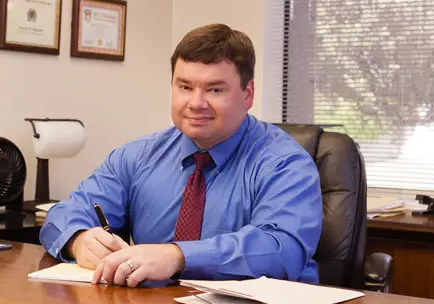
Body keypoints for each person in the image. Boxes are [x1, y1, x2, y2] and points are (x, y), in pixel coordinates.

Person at [39, 23, 323, 287]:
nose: (196, 103)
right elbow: (64, 214)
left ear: (247, 94)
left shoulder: (285, 163)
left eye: (215, 89)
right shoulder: (138, 156)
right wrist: (78, 239)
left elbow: (281, 248)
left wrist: (177, 256)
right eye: (185, 87)